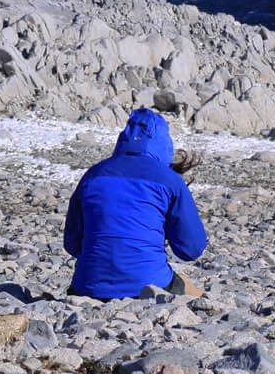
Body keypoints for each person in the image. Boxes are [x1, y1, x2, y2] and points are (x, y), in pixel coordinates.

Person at [64, 108, 208, 299]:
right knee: (186, 287)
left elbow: (72, 244)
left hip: (88, 288)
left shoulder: (93, 175)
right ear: (164, 143)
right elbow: (191, 249)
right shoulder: (170, 180)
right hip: (147, 284)